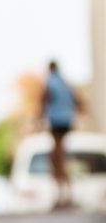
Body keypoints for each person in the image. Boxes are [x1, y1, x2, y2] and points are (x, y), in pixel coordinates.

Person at [42, 61, 80, 208]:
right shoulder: (65, 82)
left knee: (57, 158)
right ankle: (67, 192)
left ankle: (62, 194)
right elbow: (77, 100)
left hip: (56, 122)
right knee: (61, 155)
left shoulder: (50, 81)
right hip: (67, 121)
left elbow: (44, 97)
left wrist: (40, 116)